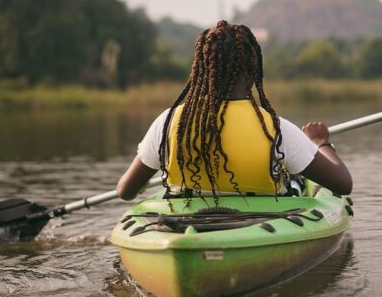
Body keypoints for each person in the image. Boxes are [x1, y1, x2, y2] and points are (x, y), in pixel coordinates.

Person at [116, 21, 352, 201]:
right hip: (263, 224)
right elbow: (343, 184)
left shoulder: (168, 123)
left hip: (185, 221)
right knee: (296, 180)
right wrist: (320, 143)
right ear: (253, 71)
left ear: (201, 70)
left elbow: (125, 191)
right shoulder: (276, 130)